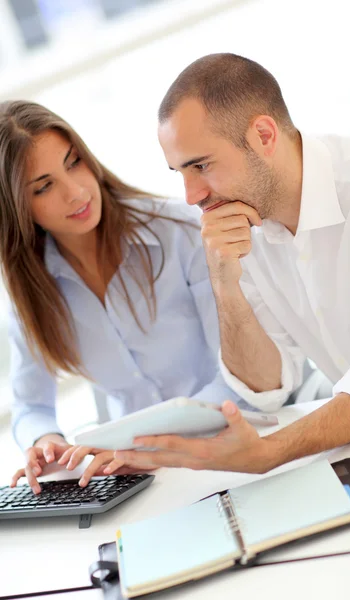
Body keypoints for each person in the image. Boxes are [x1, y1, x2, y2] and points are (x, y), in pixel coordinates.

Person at [110, 52, 350, 474]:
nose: (191, 195)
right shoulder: (241, 220)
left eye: (201, 165)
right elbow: (267, 386)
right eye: (179, 172)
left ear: (264, 136)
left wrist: (269, 453)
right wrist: (224, 285)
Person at [0, 100, 239, 493]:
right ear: (16, 209)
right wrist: (45, 443)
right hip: (135, 475)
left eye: (74, 162)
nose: (76, 192)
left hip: (227, 444)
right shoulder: (34, 289)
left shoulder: (179, 232)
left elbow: (237, 376)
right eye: (44, 186)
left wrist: (147, 444)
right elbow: (31, 408)